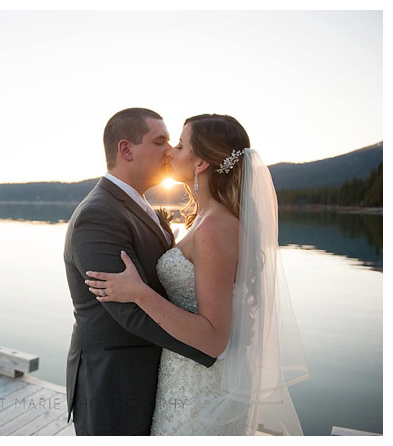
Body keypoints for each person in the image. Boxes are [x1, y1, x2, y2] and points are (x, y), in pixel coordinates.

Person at [86, 114, 309, 435]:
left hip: (200, 389)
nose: (170, 153)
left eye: (178, 145)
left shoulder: (215, 228)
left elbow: (215, 339)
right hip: (185, 379)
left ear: (201, 162)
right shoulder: (204, 220)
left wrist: (138, 293)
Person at [63, 108, 216, 436]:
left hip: (154, 375)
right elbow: (127, 310)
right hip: (114, 383)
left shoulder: (144, 208)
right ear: (126, 149)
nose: (170, 150)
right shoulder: (98, 215)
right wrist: (208, 344)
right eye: (160, 141)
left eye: (172, 142)